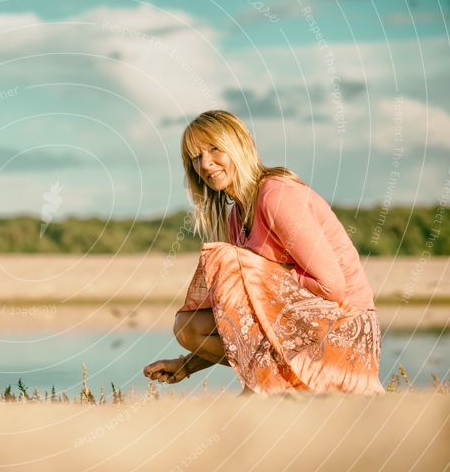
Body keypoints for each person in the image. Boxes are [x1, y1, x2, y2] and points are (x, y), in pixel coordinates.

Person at [143, 110, 384, 394]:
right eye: (196, 157)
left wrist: (263, 278)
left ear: (239, 146)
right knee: (189, 326)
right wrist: (186, 366)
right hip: (303, 328)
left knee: (231, 263)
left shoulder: (276, 195)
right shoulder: (237, 216)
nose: (206, 163)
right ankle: (276, 384)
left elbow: (332, 287)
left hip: (346, 330)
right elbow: (234, 321)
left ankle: (272, 386)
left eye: (215, 149)